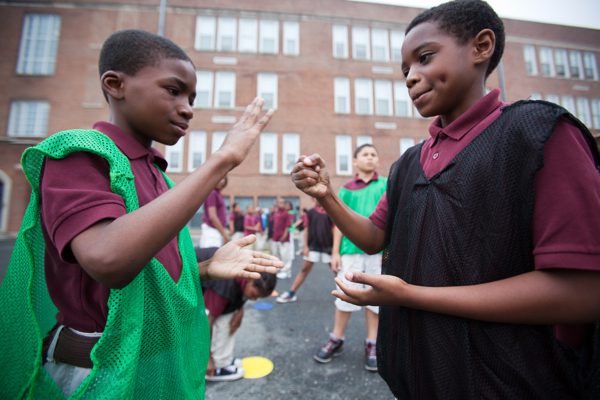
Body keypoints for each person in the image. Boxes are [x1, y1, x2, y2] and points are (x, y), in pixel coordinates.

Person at [291, 1, 600, 398]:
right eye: (405, 70)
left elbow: (583, 293)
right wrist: (328, 195)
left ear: (481, 46)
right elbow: (372, 237)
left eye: (424, 58)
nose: (410, 77)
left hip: (508, 382)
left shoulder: (536, 134)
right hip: (419, 378)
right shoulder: (408, 164)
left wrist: (408, 295)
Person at [0, 29, 281, 399]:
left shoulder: (161, 178)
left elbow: (147, 281)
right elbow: (108, 260)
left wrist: (205, 269)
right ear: (116, 84)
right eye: (173, 90)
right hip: (94, 372)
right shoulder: (80, 154)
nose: (188, 108)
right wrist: (222, 158)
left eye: (192, 97)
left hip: (156, 366)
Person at [308, 143, 386, 372]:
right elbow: (338, 225)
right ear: (355, 161)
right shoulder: (345, 190)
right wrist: (335, 252)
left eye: (374, 154)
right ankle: (337, 338)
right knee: (344, 296)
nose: (370, 158)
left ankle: (372, 343)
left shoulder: (386, 185)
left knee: (375, 301)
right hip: (350, 252)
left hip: (378, 253)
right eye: (365, 154)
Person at [199, 248, 277, 382]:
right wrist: (208, 359)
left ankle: (223, 359)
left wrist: (240, 309)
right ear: (249, 280)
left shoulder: (246, 273)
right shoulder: (225, 286)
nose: (254, 300)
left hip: (195, 278)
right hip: (173, 280)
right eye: (254, 295)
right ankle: (216, 367)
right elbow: (206, 320)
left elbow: (242, 292)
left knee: (230, 317)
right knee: (224, 321)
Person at [277, 199, 334, 304]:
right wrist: (306, 246)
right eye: (315, 197)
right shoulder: (310, 213)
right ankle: (291, 293)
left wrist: (335, 250)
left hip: (328, 247)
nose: (317, 198)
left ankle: (348, 294)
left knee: (336, 271)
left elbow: (334, 230)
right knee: (304, 270)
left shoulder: (331, 212)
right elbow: (306, 230)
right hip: (313, 246)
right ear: (313, 198)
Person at [200, 176, 229, 247]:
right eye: (220, 177)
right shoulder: (212, 193)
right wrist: (224, 234)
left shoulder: (217, 193)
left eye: (224, 178)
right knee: (212, 256)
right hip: (212, 231)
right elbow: (213, 217)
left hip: (216, 231)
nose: (222, 181)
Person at [270, 198, 295, 279]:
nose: (281, 204)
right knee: (276, 255)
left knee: (285, 256)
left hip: (283, 239)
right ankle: (277, 269)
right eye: (279, 203)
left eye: (282, 203)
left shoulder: (287, 214)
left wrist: (284, 236)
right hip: (275, 238)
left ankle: (286, 271)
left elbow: (288, 226)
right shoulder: (275, 213)